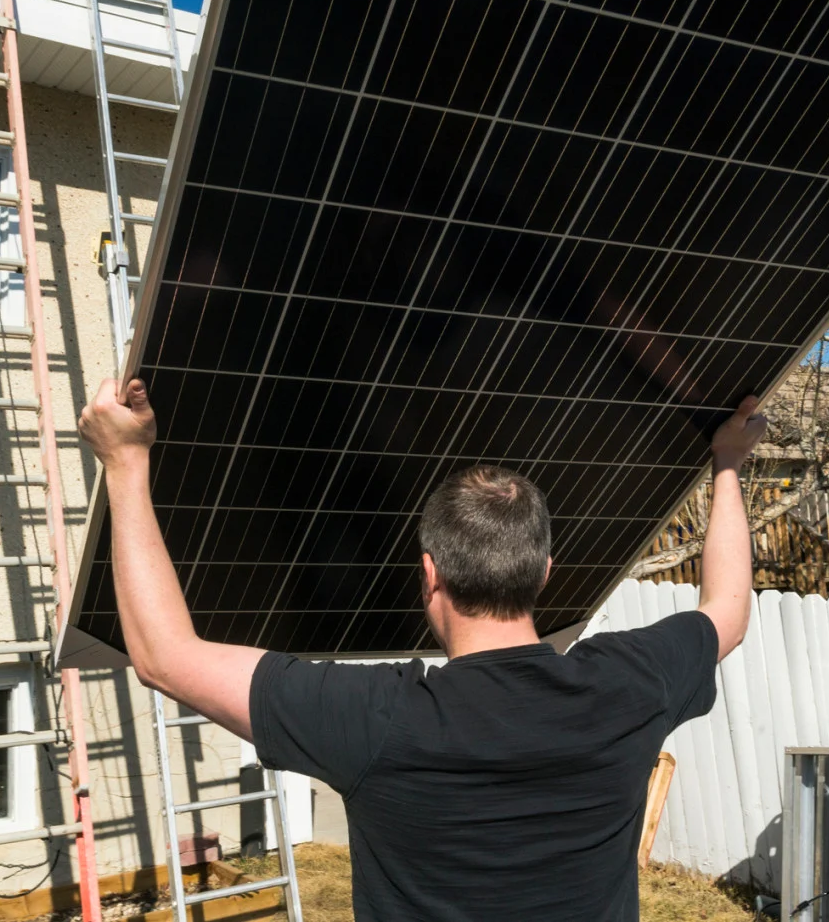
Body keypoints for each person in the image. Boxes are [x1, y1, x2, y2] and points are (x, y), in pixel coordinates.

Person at [79, 380, 765, 922]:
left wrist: (126, 462)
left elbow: (164, 653)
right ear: (545, 571)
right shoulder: (627, 684)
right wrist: (728, 463)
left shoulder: (377, 718)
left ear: (430, 573)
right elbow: (727, 610)